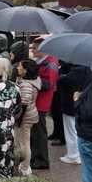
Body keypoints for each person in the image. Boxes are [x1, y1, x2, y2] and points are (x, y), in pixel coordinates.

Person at [29, 38, 59, 170]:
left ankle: (42, 160)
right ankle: (35, 157)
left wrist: (34, 77)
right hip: (36, 101)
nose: (32, 51)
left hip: (42, 102)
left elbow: (49, 85)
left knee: (40, 132)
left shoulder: (50, 63)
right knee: (35, 131)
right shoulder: (42, 62)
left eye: (34, 48)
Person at [57, 63, 92, 165]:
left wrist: (62, 75)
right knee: (76, 130)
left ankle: (73, 155)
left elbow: (63, 81)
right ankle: (77, 154)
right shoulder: (87, 69)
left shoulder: (77, 70)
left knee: (71, 131)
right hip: (80, 104)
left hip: (70, 105)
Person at [15, 59, 41, 176]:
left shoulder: (26, 84)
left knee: (24, 143)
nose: (17, 68)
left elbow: (24, 103)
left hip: (25, 117)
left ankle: (25, 167)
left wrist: (18, 118)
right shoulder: (33, 80)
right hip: (30, 114)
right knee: (24, 141)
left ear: (26, 70)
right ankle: (24, 165)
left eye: (20, 66)